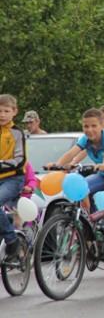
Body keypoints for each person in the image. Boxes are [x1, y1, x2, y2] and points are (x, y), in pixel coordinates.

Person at [49, 108, 104, 278]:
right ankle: (93, 220)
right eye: (86, 126)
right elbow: (72, 153)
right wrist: (58, 164)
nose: (89, 130)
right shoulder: (86, 140)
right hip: (103, 176)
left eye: (93, 126)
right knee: (82, 186)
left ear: (102, 125)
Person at [0, 94, 27, 262]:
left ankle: (12, 241)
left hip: (13, 178)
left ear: (14, 112)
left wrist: (2, 163)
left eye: (6, 111)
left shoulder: (17, 133)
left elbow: (20, 159)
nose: (2, 114)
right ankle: (6, 222)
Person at [12, 161, 37, 229]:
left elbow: (32, 179)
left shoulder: (25, 164)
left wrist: (29, 187)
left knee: (17, 223)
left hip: (21, 198)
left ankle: (20, 237)